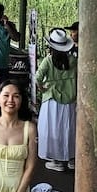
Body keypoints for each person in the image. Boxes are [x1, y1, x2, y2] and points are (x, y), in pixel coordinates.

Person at [36, 28, 78, 172]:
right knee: (69, 129)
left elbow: (37, 78)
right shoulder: (73, 60)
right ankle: (72, 159)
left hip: (52, 100)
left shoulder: (48, 60)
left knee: (52, 131)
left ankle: (56, 161)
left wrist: (42, 89)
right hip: (70, 101)